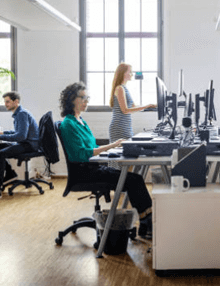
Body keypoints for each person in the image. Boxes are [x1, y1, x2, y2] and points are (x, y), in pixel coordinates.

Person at [60, 82, 153, 238]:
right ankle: (147, 225)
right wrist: (112, 146)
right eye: (82, 97)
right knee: (134, 180)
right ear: (71, 100)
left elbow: (93, 146)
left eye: (87, 97)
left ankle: (146, 222)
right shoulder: (68, 124)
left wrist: (114, 149)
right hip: (85, 173)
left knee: (135, 178)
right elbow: (81, 154)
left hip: (93, 168)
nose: (86, 101)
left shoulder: (81, 121)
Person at [0, 91, 39, 201]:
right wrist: (3, 133)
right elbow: (17, 132)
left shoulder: (21, 114)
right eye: (5, 102)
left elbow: (21, 136)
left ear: (16, 102)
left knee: (0, 154)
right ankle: (10, 174)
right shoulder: (19, 113)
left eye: (8, 102)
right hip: (24, 143)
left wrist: (0, 138)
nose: (5, 104)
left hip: (29, 145)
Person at [109, 63, 156, 168]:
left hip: (125, 127)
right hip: (119, 128)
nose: (132, 74)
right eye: (129, 72)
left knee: (128, 159)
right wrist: (146, 106)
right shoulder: (119, 88)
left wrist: (150, 106)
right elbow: (125, 110)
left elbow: (133, 107)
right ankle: (118, 182)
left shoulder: (124, 88)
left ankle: (124, 182)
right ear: (123, 73)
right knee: (120, 160)